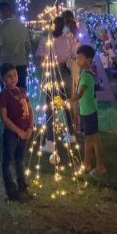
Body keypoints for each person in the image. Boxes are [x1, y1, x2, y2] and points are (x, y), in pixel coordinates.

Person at [35, 16, 77, 151]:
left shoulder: (45, 40)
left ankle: (50, 141)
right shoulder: (68, 39)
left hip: (52, 73)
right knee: (66, 104)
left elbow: (41, 60)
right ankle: (71, 134)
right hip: (65, 72)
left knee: (50, 107)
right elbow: (74, 54)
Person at [0, 63, 34, 202]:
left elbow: (29, 110)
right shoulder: (3, 95)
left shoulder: (22, 91)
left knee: (20, 160)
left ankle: (23, 187)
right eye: (9, 77)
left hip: (25, 132)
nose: (13, 79)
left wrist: (30, 127)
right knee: (7, 161)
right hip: (12, 134)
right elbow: (4, 118)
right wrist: (18, 131)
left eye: (15, 75)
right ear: (2, 79)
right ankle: (11, 191)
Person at [71, 44, 106, 176]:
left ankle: (100, 166)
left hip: (89, 113)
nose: (77, 60)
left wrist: (68, 101)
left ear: (89, 59)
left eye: (80, 58)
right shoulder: (85, 73)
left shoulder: (86, 75)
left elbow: (79, 95)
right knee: (88, 139)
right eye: (77, 57)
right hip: (86, 112)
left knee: (94, 139)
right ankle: (86, 164)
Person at [0, 2, 32, 89]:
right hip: (21, 65)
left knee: (7, 95)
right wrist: (26, 63)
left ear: (1, 13)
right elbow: (27, 48)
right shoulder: (23, 27)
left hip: (6, 67)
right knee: (21, 93)